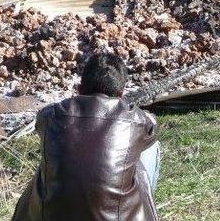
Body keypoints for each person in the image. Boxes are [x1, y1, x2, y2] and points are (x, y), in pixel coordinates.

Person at [12, 53, 160, 221]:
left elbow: (41, 121)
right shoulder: (137, 120)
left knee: (49, 161)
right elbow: (153, 128)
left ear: (80, 88)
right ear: (121, 93)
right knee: (147, 148)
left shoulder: (50, 115)